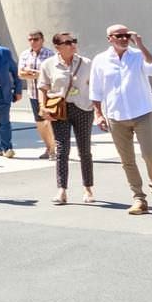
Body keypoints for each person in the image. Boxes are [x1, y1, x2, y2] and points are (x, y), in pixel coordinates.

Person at [90, 24, 152, 216]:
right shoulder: (100, 60)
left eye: (127, 35)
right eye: (119, 36)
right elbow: (96, 90)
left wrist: (140, 45)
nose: (124, 39)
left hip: (143, 113)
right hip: (116, 117)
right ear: (109, 38)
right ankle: (139, 198)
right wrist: (98, 114)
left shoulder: (137, 55)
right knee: (127, 161)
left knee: (150, 155)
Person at [40, 32, 96, 206]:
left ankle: (88, 188)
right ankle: (61, 190)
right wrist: (43, 107)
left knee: (84, 149)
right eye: (68, 42)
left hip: (83, 108)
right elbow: (43, 87)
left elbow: (96, 86)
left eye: (74, 41)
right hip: (60, 109)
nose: (73, 45)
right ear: (58, 47)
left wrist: (98, 107)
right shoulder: (49, 64)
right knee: (62, 149)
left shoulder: (86, 63)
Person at [17, 30, 58, 161]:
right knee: (40, 123)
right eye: (30, 39)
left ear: (42, 40)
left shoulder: (50, 54)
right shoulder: (25, 55)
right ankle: (47, 147)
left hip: (48, 94)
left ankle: (53, 150)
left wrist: (33, 72)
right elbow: (20, 74)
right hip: (33, 93)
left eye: (36, 39)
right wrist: (37, 73)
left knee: (49, 122)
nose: (33, 42)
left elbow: (52, 74)